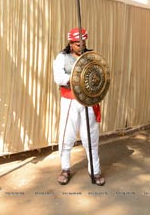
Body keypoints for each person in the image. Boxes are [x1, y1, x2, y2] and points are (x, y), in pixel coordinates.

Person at [53, 27, 105, 186]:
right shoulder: (62, 57)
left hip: (88, 101)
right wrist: (77, 78)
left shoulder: (90, 56)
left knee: (91, 137)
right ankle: (65, 169)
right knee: (67, 135)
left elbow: (100, 75)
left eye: (82, 43)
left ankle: (95, 171)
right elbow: (59, 78)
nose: (80, 46)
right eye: (77, 44)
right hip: (70, 100)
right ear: (70, 43)